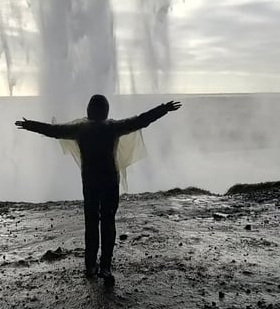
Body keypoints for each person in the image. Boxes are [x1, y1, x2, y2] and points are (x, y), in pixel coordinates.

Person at [15, 95, 181, 285]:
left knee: (91, 222)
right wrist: (163, 108)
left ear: (89, 111)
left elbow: (53, 131)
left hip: (90, 182)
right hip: (110, 181)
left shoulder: (80, 129)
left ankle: (90, 265)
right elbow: (141, 120)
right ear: (106, 111)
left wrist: (30, 125)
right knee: (108, 222)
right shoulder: (113, 127)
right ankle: (105, 267)